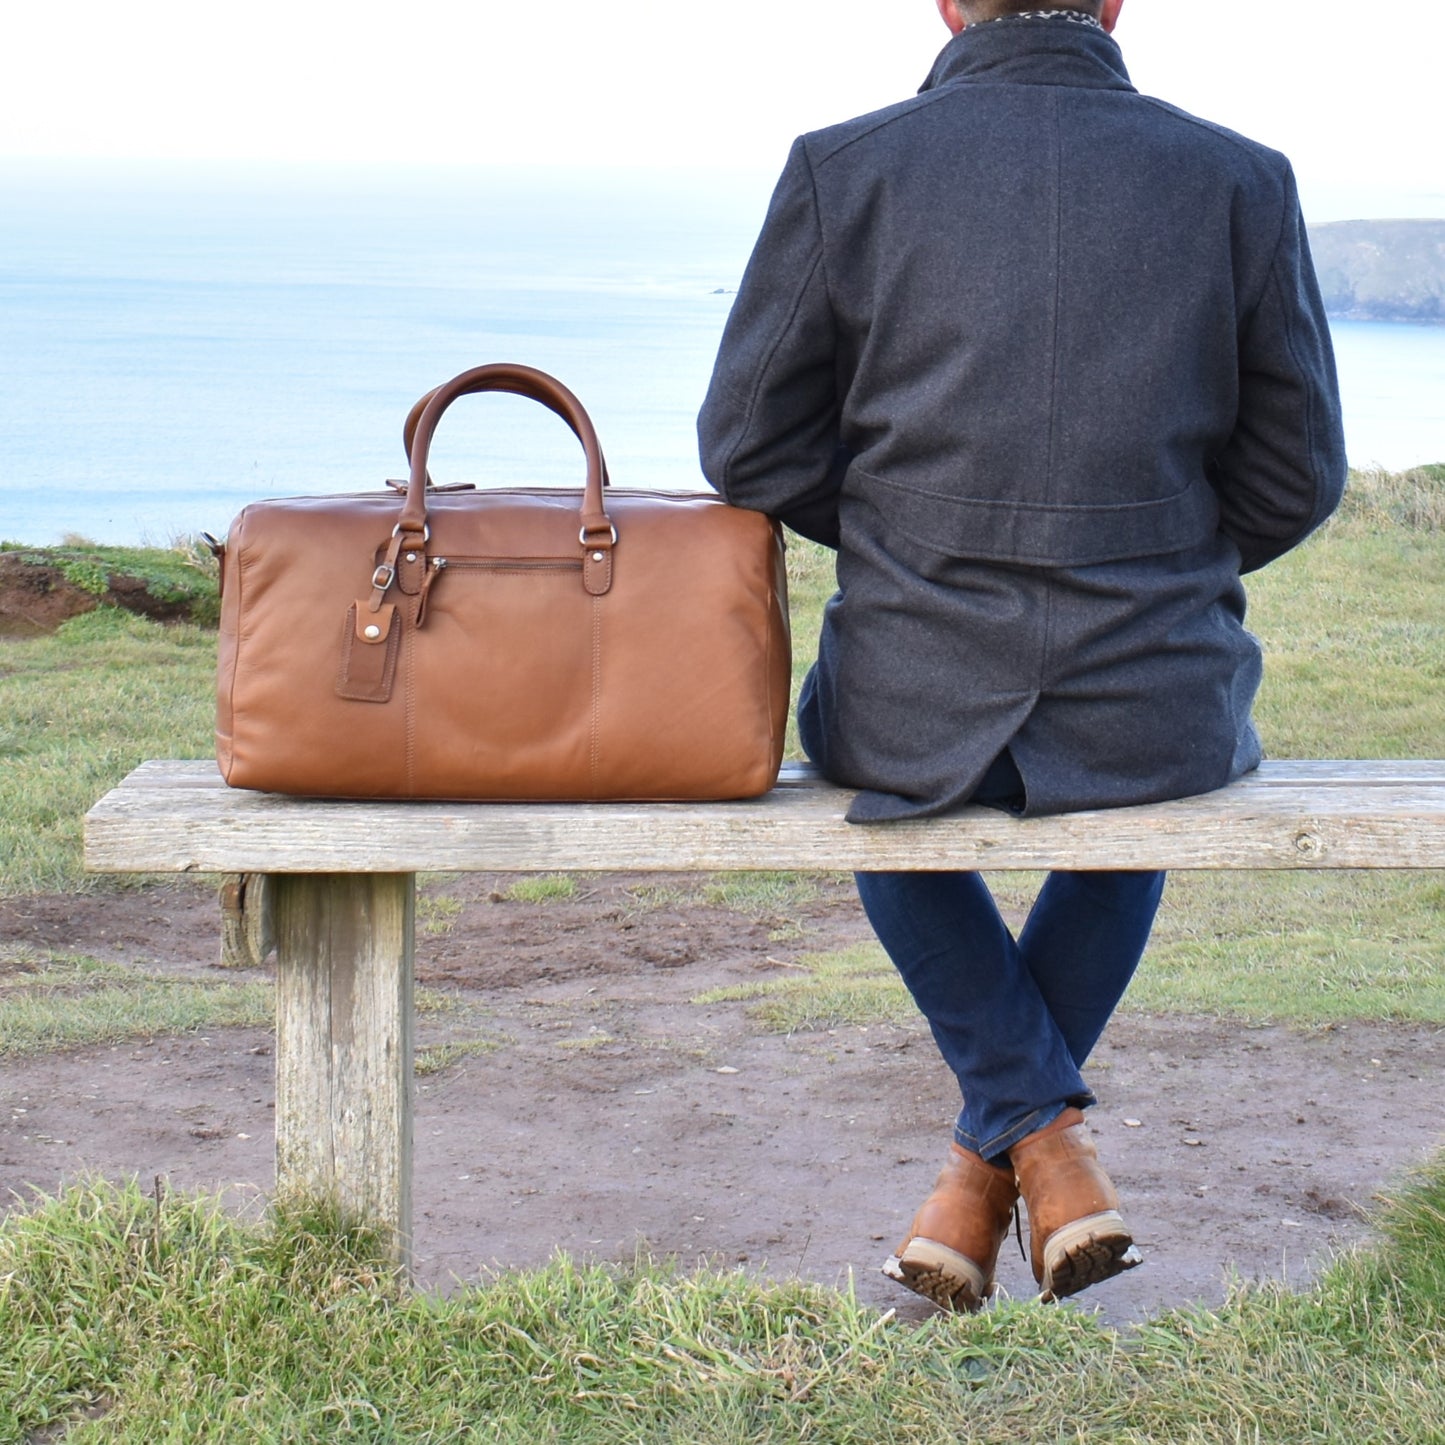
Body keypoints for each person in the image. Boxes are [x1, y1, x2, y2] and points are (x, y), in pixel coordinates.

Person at [698, 0, 1345, 1311]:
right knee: (1134, 805)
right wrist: (1158, 562)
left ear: (945, 4)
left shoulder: (845, 167)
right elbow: (1298, 472)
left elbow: (746, 448)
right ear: (1112, 4)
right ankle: (1039, 1148)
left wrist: (901, 536)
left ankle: (994, 1162)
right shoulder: (1236, 177)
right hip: (1154, 686)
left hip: (906, 680)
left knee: (883, 802)